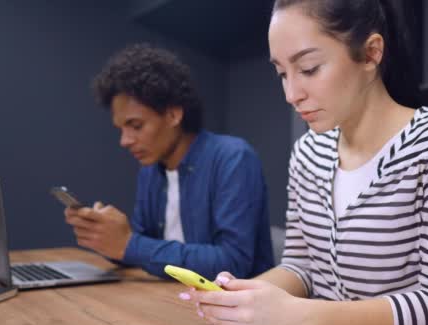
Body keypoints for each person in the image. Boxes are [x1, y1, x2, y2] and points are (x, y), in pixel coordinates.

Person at [182, 1, 428, 325]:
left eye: (310, 68)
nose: (291, 94)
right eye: (282, 73)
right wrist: (241, 298)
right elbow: (301, 267)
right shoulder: (307, 154)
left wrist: (301, 318)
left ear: (372, 53)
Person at [64, 44, 274, 280]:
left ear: (174, 115)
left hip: (238, 309)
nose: (124, 141)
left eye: (136, 126)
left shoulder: (233, 158)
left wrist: (129, 244)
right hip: (172, 299)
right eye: (120, 129)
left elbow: (233, 263)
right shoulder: (151, 170)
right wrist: (106, 236)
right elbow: (139, 247)